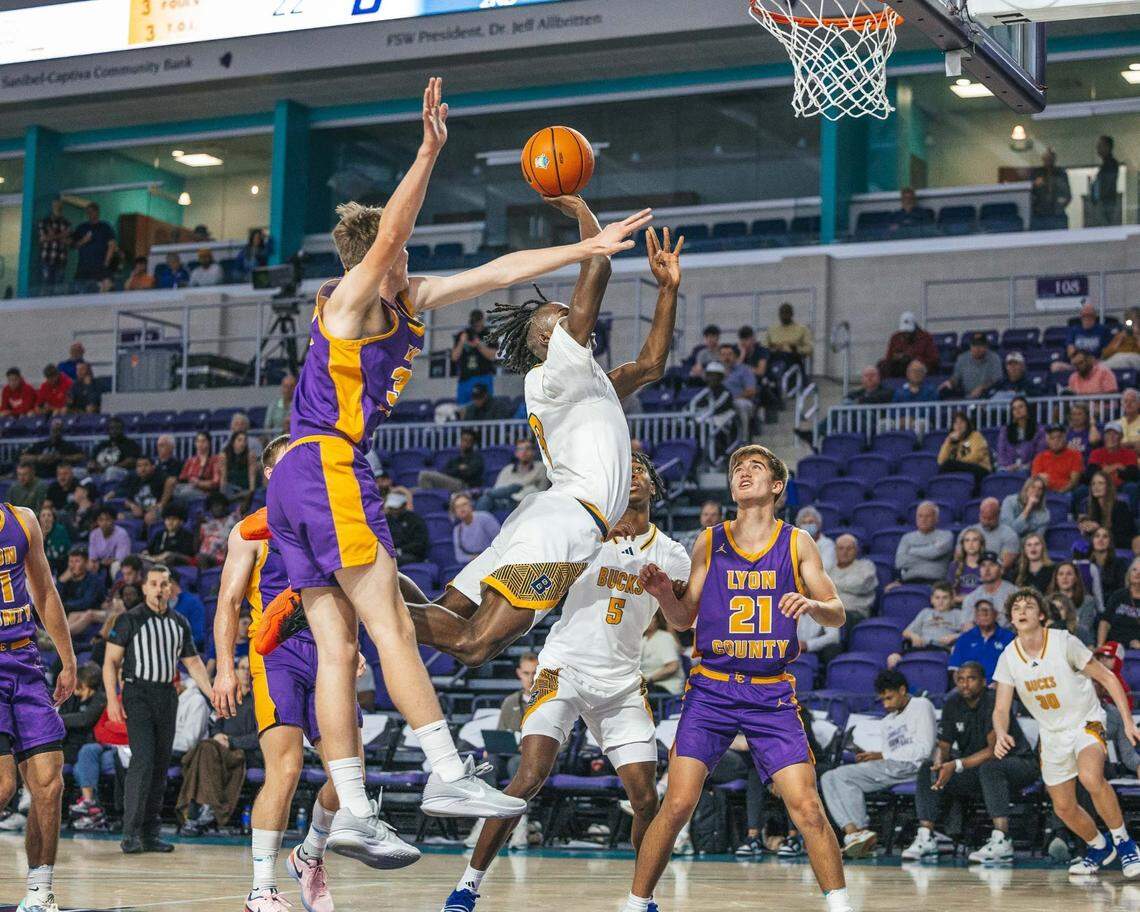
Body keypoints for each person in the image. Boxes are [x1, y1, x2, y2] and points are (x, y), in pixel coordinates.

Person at [267, 78, 648, 851]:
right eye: (398, 250)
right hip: (324, 466)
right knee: (393, 632)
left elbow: (505, 270)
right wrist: (429, 149)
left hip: (297, 482)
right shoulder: (350, 299)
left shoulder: (412, 300)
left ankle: (351, 813)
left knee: (340, 647)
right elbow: (390, 233)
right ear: (379, 256)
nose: (409, 257)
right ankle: (445, 768)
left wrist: (585, 245)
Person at [405, 221, 679, 669]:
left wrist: (666, 289)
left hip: (545, 515)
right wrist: (579, 209)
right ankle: (351, 608)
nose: (578, 320)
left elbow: (650, 365)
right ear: (547, 340)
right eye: (566, 318)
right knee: (475, 643)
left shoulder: (587, 384)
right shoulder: (555, 371)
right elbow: (597, 268)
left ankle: (364, 587)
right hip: (566, 522)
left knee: (448, 615)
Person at [443, 452, 689, 912]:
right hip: (565, 668)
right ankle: (467, 885)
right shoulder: (586, 534)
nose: (632, 476)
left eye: (641, 471)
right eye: (625, 470)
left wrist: (665, 594)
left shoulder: (673, 554)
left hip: (621, 683)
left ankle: (642, 898)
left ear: (654, 487)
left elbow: (682, 622)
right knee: (529, 776)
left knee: (646, 797)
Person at [626, 444, 851, 912]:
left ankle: (841, 906)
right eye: (737, 469)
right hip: (711, 688)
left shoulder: (797, 542)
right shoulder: (710, 540)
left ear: (777, 486)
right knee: (679, 802)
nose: (743, 473)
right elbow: (684, 618)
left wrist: (811, 605)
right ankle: (635, 903)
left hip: (770, 692)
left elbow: (838, 613)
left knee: (807, 808)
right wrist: (666, 595)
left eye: (755, 467)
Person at [213, 436, 418, 909]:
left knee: (349, 776)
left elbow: (351, 592)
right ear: (270, 476)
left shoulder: (325, 523)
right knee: (284, 768)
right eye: (290, 465)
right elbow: (226, 601)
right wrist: (225, 667)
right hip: (276, 653)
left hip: (326, 651)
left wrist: (353, 645)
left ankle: (310, 853)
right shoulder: (249, 531)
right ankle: (261, 889)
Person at [994, 586, 1140, 876]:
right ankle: (1099, 847)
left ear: (1042, 616)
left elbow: (1108, 678)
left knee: (1090, 776)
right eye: (1016, 608)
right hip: (1052, 734)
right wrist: (1000, 733)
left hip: (1086, 719)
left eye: (1029, 606)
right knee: (1063, 807)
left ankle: (1125, 844)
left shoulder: (1063, 642)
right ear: (1011, 619)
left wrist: (1127, 721)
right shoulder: (1009, 657)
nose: (1022, 611)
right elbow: (1000, 709)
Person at [0, 497, 77, 912]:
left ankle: (40, 890)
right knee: (3, 785)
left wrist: (68, 659)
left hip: (25, 659)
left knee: (49, 782)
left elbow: (44, 591)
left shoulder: (22, 519)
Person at [103, 565, 212, 854]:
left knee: (161, 764)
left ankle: (151, 833)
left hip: (167, 694)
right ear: (145, 588)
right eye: (154, 583)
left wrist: (213, 694)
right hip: (137, 693)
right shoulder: (130, 619)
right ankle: (130, 833)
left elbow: (193, 663)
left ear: (170, 587)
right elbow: (111, 661)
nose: (159, 588)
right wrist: (113, 700)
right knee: (143, 760)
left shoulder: (179, 622)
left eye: (164, 583)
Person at [902, 660, 1037, 864]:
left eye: (971, 679)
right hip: (976, 768)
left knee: (991, 768)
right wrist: (939, 766)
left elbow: (994, 752)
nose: (965, 684)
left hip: (1018, 764)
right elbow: (944, 744)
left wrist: (955, 765)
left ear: (983, 681)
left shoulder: (994, 702)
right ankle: (926, 837)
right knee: (927, 769)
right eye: (961, 679)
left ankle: (1002, 840)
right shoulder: (952, 704)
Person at [821, 669, 936, 859]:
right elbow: (887, 753)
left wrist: (881, 755)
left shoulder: (921, 705)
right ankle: (853, 833)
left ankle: (861, 831)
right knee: (828, 777)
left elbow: (924, 748)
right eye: (882, 700)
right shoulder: (887, 722)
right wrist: (869, 755)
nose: (886, 704)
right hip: (891, 767)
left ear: (902, 690)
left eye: (889, 698)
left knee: (843, 777)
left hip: (915, 767)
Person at [475, 439, 548, 513]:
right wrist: (512, 489)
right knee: (485, 499)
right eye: (520, 449)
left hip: (523, 500)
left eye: (528, 449)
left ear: (534, 452)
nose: (524, 452)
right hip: (504, 499)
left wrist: (516, 487)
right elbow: (498, 488)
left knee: (489, 494)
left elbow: (542, 490)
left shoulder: (541, 467)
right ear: (516, 453)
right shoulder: (508, 469)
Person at [947, 601, 1014, 682]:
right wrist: (963, 686)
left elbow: (1014, 668)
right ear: (975, 616)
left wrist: (1000, 685)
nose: (984, 615)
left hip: (997, 687)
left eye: (988, 611)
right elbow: (955, 669)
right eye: (980, 611)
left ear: (996, 614)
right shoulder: (964, 638)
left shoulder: (1009, 638)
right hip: (967, 688)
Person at [895, 501, 954, 585]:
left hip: (935, 584)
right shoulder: (906, 538)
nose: (923, 519)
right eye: (920, 516)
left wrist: (911, 551)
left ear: (936, 519)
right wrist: (930, 555)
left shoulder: (946, 535)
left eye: (928, 516)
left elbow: (934, 553)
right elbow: (900, 562)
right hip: (909, 582)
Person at [901, 582, 966, 655]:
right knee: (893, 658)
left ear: (951, 600)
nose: (940, 602)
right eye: (937, 598)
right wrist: (914, 636)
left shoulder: (958, 614)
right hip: (922, 648)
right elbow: (905, 632)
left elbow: (971, 632)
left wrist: (954, 636)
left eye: (945, 598)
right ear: (932, 600)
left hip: (943, 650)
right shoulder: (925, 612)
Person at [451, 309, 499, 404]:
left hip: (483, 376)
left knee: (485, 407)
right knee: (463, 409)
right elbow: (454, 357)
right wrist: (461, 342)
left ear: (482, 321)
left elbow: (493, 356)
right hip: (466, 378)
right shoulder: (463, 334)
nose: (476, 325)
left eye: (478, 321)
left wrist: (479, 345)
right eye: (474, 322)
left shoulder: (489, 335)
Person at [1080, 470, 1135, 550]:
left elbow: (1123, 538)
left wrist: (1099, 528)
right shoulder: (1091, 508)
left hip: (1119, 547)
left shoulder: (1120, 507)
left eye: (1100, 483)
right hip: (1097, 548)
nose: (1096, 487)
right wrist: (1084, 526)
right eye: (1093, 484)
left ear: (1108, 486)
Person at [960, 497, 1019, 572]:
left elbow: (1004, 566)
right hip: (968, 574)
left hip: (996, 576)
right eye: (984, 518)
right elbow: (959, 559)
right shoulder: (967, 532)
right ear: (979, 514)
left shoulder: (1009, 535)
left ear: (998, 515)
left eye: (990, 519)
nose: (987, 521)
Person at [417, 428, 484, 492]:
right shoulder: (456, 459)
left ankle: (431, 501)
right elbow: (446, 471)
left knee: (424, 475)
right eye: (463, 440)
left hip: (464, 486)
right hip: (451, 481)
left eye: (468, 441)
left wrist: (456, 471)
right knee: (412, 491)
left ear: (473, 443)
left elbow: (469, 474)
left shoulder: (477, 458)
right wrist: (459, 469)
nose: (465, 443)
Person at [1048, 562, 1098, 646]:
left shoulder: (1088, 601)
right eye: (1061, 574)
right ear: (1056, 578)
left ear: (1075, 578)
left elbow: (1084, 629)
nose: (1065, 577)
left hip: (1080, 645)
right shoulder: (1048, 601)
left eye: (1069, 574)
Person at [829, 533, 876, 623]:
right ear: (835, 551)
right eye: (841, 548)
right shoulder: (830, 569)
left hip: (855, 613)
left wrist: (831, 584)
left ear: (856, 550)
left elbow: (860, 585)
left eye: (849, 548)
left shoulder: (866, 566)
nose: (844, 552)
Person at [961, 552, 1017, 627]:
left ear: (1001, 570)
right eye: (983, 565)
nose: (987, 569)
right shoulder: (971, 598)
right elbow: (966, 626)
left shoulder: (1014, 593)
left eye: (992, 565)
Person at [940, 332, 1002, 400]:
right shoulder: (962, 358)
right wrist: (949, 383)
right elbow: (956, 378)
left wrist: (982, 388)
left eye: (980, 345)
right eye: (974, 345)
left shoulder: (994, 358)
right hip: (966, 396)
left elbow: (997, 379)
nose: (977, 348)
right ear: (970, 346)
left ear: (986, 346)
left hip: (988, 396)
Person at [70, 203, 115, 294]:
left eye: (92, 212)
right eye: (88, 212)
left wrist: (106, 262)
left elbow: (112, 245)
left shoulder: (105, 227)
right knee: (80, 292)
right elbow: (73, 245)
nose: (90, 214)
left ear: (97, 212)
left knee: (104, 289)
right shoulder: (82, 227)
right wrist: (83, 240)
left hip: (100, 266)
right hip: (83, 267)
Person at [878, 311, 938, 378]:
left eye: (908, 332)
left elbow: (933, 360)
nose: (906, 335)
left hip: (918, 368)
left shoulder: (926, 337)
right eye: (904, 332)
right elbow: (889, 357)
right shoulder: (895, 337)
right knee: (882, 365)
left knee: (915, 367)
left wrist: (912, 358)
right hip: (899, 367)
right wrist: (897, 357)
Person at [937, 410, 992, 482]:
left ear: (967, 424)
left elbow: (976, 456)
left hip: (980, 468)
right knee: (946, 466)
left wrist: (958, 463)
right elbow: (941, 461)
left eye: (962, 422)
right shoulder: (952, 442)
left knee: (950, 464)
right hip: (961, 469)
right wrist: (948, 441)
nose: (959, 425)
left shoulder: (975, 436)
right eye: (956, 423)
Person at [119, 454, 174, 525]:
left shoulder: (158, 475)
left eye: (146, 465)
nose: (142, 469)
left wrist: (161, 504)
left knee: (149, 517)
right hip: (140, 511)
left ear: (153, 467)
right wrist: (133, 506)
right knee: (120, 516)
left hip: (156, 510)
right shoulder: (134, 479)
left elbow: (172, 481)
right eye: (139, 466)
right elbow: (127, 501)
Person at [1099, 558, 1140, 648]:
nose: (1137, 573)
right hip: (1114, 646)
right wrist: (1100, 646)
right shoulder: (1118, 595)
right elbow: (1105, 622)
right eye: (1134, 570)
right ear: (1129, 574)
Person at [641, 609, 684, 695]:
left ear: (657, 620)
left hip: (666, 688)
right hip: (648, 686)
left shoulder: (664, 638)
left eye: (651, 617)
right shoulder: (643, 640)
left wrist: (647, 680)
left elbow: (672, 667)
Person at [996, 396, 1045, 471]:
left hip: (1030, 468)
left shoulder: (1039, 429)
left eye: (1021, 407)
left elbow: (1040, 453)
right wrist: (1008, 466)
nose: (1017, 410)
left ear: (1027, 409)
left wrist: (1026, 466)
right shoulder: (1005, 430)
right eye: (1014, 408)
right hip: (1008, 468)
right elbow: (1001, 452)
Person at [451, 493, 500, 566]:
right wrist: (474, 558)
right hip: (474, 565)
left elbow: (500, 542)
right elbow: (459, 557)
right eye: (457, 507)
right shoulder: (457, 530)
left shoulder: (485, 518)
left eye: (464, 504)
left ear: (471, 506)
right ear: (455, 512)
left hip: (493, 561)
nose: (461, 509)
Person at [1032, 425, 1084, 493]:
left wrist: (1059, 493)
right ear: (1047, 440)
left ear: (1065, 438)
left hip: (1067, 492)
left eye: (1059, 437)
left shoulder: (1075, 455)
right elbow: (1035, 478)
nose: (1056, 441)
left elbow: (1074, 482)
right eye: (1052, 438)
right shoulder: (1040, 457)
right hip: (1045, 493)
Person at [89, 417, 141, 485]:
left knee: (111, 471)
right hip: (100, 472)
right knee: (79, 472)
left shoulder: (130, 444)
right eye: (111, 428)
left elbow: (131, 461)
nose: (114, 431)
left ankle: (107, 491)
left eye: (117, 428)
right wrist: (93, 465)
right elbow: (92, 460)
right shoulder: (102, 445)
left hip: (122, 472)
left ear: (122, 429)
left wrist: (109, 467)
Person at [1030, 148, 1073, 229]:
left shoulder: (1061, 174)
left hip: (1057, 215)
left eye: (1050, 159)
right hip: (1039, 215)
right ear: (1043, 159)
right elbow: (1029, 193)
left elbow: (1067, 195)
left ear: (1054, 160)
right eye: (1046, 158)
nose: (1048, 161)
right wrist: (1034, 185)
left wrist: (1059, 206)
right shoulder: (1037, 173)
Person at [764, 302, 813, 372]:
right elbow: (764, 347)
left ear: (792, 314)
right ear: (779, 314)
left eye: (787, 313)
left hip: (794, 361)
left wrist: (795, 349)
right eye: (782, 313)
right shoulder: (772, 330)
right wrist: (774, 349)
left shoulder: (802, 329)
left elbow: (809, 348)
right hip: (775, 361)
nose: (784, 316)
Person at [1089, 420, 1139, 487]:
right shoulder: (1096, 453)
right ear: (1103, 436)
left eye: (1115, 434)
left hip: (1121, 485)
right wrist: (1116, 466)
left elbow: (1132, 475)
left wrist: (1105, 470)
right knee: (1082, 489)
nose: (1111, 437)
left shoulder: (1130, 453)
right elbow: (1090, 473)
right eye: (1108, 433)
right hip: (1101, 486)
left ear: (1121, 437)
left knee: (1131, 486)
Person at [384, 489, 429, 564]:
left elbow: (420, 544)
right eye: (391, 508)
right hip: (390, 554)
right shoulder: (385, 520)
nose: (393, 511)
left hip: (411, 555)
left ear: (404, 505)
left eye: (395, 508)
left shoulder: (415, 520)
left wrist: (401, 550)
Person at [1000, 475, 1050, 539]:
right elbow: (1009, 533)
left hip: (1029, 547)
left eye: (1040, 489)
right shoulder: (1009, 501)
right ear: (1026, 489)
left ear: (1042, 493)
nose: (1036, 491)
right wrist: (1028, 508)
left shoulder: (1044, 514)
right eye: (1033, 487)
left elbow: (1037, 539)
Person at [38, 199, 71, 294]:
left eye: (59, 206)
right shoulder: (44, 222)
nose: (57, 207)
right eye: (55, 205)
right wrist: (62, 235)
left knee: (59, 286)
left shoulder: (66, 223)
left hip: (61, 259)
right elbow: (42, 239)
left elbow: (69, 241)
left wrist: (52, 236)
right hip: (47, 258)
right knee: (46, 285)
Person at [177, 431, 222, 500]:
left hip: (204, 492)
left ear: (209, 443)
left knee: (181, 494)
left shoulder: (215, 460)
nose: (200, 444)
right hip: (188, 487)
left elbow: (216, 483)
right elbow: (182, 478)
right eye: (198, 441)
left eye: (203, 441)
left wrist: (199, 483)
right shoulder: (190, 461)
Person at [87, 507, 130, 579]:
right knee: (88, 564)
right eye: (101, 520)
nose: (104, 523)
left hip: (118, 564)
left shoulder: (122, 534)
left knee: (116, 565)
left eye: (107, 519)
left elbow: (120, 558)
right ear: (97, 521)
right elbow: (92, 557)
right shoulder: (94, 534)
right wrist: (93, 562)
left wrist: (101, 563)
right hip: (101, 564)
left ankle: (116, 587)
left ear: (113, 520)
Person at [221, 430, 258, 506]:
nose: (242, 443)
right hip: (231, 487)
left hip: (244, 487)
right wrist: (221, 495)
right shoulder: (224, 455)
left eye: (245, 441)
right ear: (233, 442)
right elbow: (223, 477)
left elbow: (252, 476)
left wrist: (251, 493)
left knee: (249, 495)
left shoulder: (250, 455)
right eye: (239, 440)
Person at [795, 506, 835, 572]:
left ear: (818, 524)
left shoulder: (827, 544)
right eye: (804, 523)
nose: (807, 525)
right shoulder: (794, 544)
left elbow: (826, 567)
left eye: (811, 522)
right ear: (799, 526)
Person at [1090, 525, 1127, 597]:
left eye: (1105, 536)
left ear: (1110, 542)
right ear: (1092, 541)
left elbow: (1121, 590)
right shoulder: (1087, 564)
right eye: (1097, 536)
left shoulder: (1119, 564)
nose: (1100, 539)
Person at [947, 529, 984, 601]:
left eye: (975, 540)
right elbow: (950, 592)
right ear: (963, 545)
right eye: (967, 540)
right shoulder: (954, 565)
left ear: (981, 544)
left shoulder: (987, 566)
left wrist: (967, 599)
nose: (971, 544)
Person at [38, 505, 71, 576]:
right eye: (43, 515)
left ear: (53, 518)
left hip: (59, 565)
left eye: (49, 515)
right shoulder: (36, 532)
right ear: (39, 519)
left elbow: (66, 548)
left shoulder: (60, 530)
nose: (46, 518)